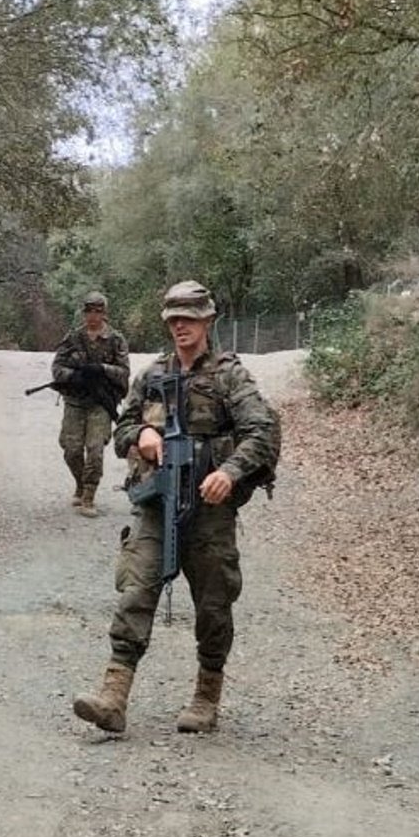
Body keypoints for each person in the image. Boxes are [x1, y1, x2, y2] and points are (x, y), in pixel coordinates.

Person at [72, 280, 281, 735]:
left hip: (208, 509)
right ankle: (113, 696)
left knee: (212, 603)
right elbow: (123, 427)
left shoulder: (229, 376)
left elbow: (261, 431)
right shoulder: (153, 376)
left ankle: (207, 695)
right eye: (173, 320)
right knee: (136, 589)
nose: (180, 327)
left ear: (207, 321)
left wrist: (229, 472)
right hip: (156, 502)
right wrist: (142, 436)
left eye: (189, 318)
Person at [50, 290, 130, 517]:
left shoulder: (115, 340)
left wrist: (102, 369)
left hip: (100, 403)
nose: (93, 316)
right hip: (75, 401)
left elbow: (124, 372)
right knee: (71, 449)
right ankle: (80, 482)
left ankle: (88, 497)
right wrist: (73, 376)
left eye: (98, 311)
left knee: (95, 450)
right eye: (89, 311)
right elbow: (57, 368)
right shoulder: (73, 338)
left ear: (105, 313)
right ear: (83, 313)